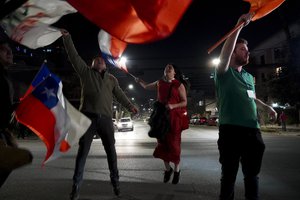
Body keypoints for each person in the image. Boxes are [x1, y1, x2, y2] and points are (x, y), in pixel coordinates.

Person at [61, 29, 138, 200]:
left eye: (101, 60)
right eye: (96, 61)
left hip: (105, 120)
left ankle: (116, 183)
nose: (100, 61)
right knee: (83, 152)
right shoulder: (86, 73)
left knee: (111, 151)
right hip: (88, 118)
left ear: (105, 65)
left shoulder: (111, 80)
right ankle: (76, 186)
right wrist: (67, 38)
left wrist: (130, 106)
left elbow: (119, 94)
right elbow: (74, 57)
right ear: (92, 65)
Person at [214, 13, 277, 200]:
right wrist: (238, 25)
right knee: (229, 177)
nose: (247, 52)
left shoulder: (249, 77)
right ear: (233, 51)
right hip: (230, 131)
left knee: (252, 176)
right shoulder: (223, 72)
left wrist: (267, 107)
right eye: (242, 49)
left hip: (252, 132)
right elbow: (224, 54)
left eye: (247, 49)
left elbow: (252, 98)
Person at [135, 64, 188, 184]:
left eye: (171, 68)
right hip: (161, 119)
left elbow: (184, 102)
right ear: (164, 72)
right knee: (162, 145)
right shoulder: (159, 82)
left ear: (174, 73)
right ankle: (168, 169)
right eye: (166, 67)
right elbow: (146, 87)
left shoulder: (179, 85)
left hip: (174, 119)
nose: (168, 68)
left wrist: (173, 105)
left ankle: (177, 171)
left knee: (174, 146)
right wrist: (139, 81)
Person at [0, 30, 32, 188]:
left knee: (13, 160)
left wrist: (17, 105)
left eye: (10, 49)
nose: (9, 52)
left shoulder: (5, 76)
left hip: (3, 132)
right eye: (3, 49)